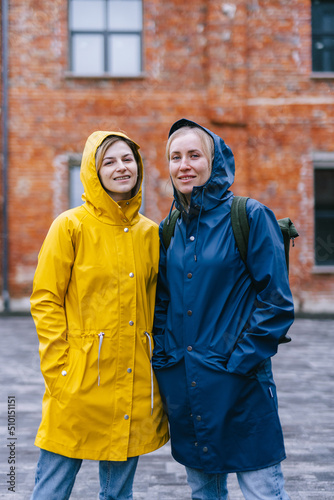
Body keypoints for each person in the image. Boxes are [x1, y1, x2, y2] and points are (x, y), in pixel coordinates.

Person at [152, 118, 294, 500]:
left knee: (263, 491)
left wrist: (239, 363)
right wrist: (165, 359)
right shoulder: (169, 229)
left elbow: (276, 303)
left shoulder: (248, 215)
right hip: (187, 388)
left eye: (194, 155)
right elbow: (162, 303)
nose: (184, 165)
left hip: (241, 386)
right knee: (205, 494)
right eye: (175, 156)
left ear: (214, 161)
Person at [30, 130, 169, 500]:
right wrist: (59, 371)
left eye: (127, 160)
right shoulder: (70, 226)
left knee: (118, 494)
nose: (121, 168)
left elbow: (160, 307)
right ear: (93, 171)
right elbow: (45, 299)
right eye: (109, 161)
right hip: (78, 379)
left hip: (132, 381)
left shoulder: (151, 234)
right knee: (51, 490)